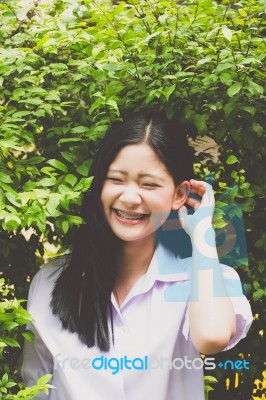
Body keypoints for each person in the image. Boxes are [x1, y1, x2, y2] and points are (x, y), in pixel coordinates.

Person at [21, 112, 253, 400]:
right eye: (116, 179)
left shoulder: (207, 277)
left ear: (179, 194)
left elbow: (212, 336)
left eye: (149, 184)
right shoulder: (50, 282)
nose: (130, 198)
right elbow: (36, 387)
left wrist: (201, 232)